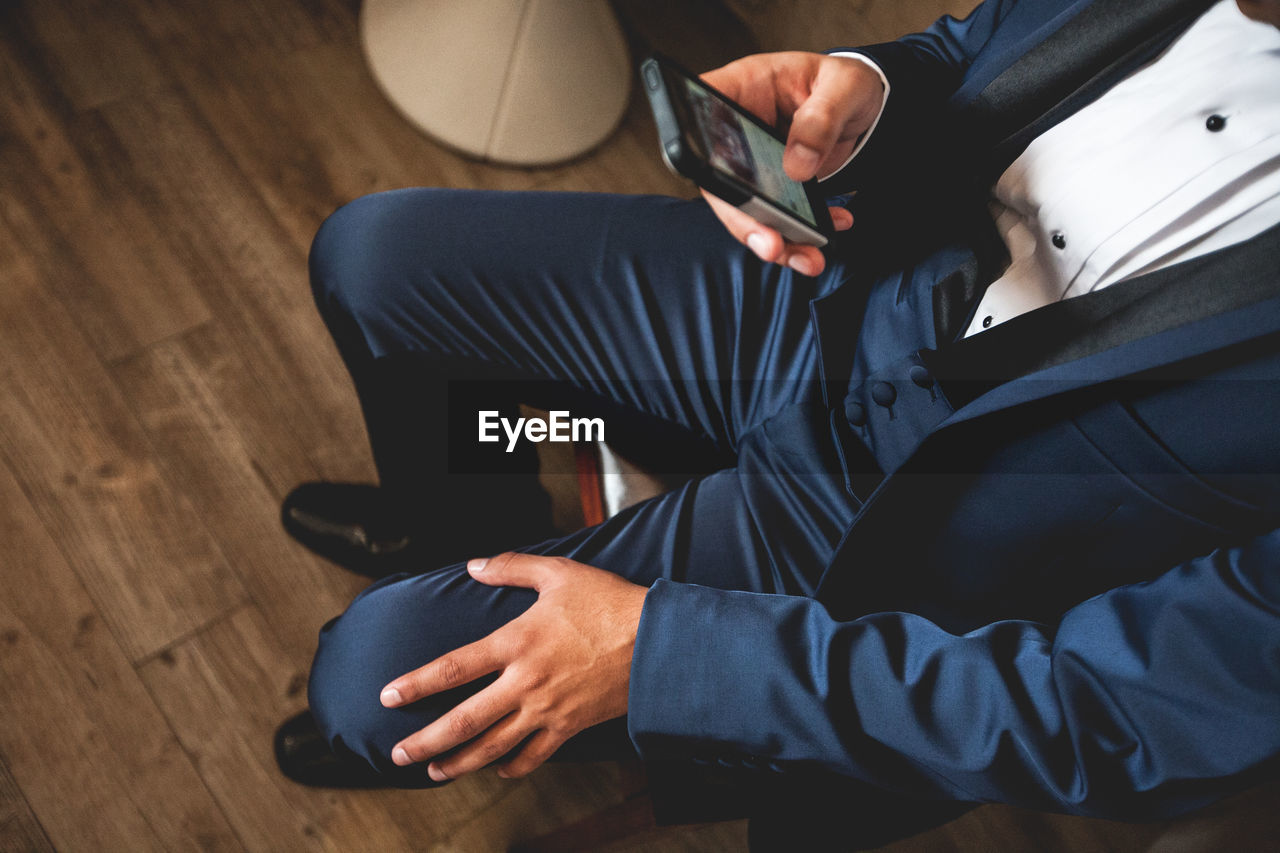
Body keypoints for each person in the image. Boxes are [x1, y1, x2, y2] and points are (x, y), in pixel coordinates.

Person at [275, 0, 1280, 846]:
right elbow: (973, 46)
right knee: (373, 260)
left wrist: (663, 657)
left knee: (375, 685)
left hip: (903, 549)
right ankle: (463, 515)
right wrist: (862, 95)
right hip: (827, 294)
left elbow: (1121, 713)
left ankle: (490, 622)